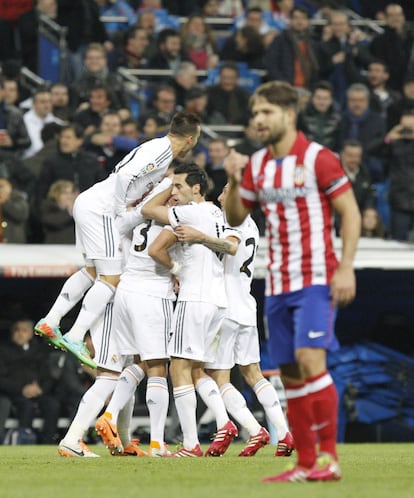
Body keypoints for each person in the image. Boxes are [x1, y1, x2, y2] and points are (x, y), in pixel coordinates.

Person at [223, 81, 360, 482]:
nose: (258, 120)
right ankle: (303, 464)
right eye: (255, 113)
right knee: (290, 374)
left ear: (289, 114)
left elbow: (349, 213)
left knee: (311, 359)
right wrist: (233, 178)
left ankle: (329, 459)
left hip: (316, 278)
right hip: (278, 283)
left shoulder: (319, 158)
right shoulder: (258, 164)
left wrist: (347, 267)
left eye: (266, 112)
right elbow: (234, 216)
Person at [34, 111, 201, 369]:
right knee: (111, 278)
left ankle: (51, 319)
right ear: (191, 138)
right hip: (101, 209)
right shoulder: (162, 149)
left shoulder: (157, 148)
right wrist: (122, 207)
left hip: (91, 203)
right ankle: (77, 335)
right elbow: (125, 177)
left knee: (91, 271)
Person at [174, 183, 293, 457]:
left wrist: (199, 236)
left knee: (205, 374)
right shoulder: (251, 224)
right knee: (253, 374)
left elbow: (229, 246)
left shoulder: (233, 220)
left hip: (225, 308)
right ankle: (283, 433)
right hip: (246, 307)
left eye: (226, 191)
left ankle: (243, 428)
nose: (219, 196)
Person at [141, 163, 238, 457]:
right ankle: (224, 422)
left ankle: (191, 444)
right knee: (197, 369)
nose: (174, 191)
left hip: (194, 298)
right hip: (217, 300)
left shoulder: (192, 211)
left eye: (180, 186)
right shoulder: (214, 212)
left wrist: (163, 185)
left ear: (197, 188)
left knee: (178, 367)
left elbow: (148, 210)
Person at [95, 205, 177, 457]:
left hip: (126, 290)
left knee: (139, 361)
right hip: (152, 292)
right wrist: (177, 271)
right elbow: (158, 251)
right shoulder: (177, 217)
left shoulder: (140, 215)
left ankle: (109, 415)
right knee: (158, 366)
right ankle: (157, 443)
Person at [0, 319, 60, 444]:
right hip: (15, 394)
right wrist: (22, 389)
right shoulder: (3, 351)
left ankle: (48, 442)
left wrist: (40, 389)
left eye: (24, 330)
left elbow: (48, 376)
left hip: (38, 392)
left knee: (52, 405)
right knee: (26, 406)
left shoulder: (39, 351)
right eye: (17, 330)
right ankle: (24, 439)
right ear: (12, 333)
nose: (20, 334)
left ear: (31, 334)